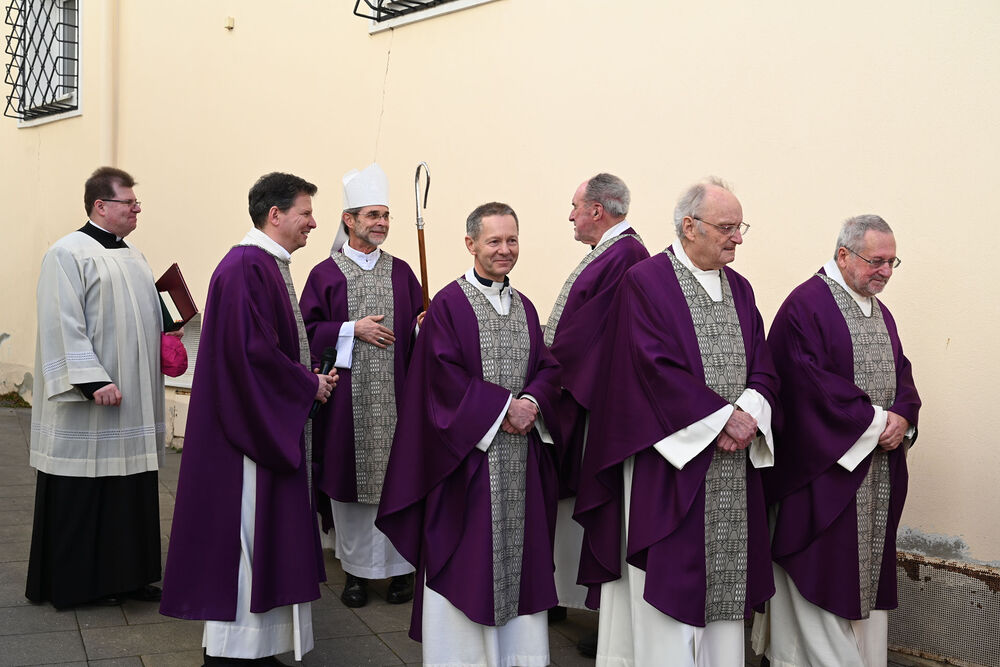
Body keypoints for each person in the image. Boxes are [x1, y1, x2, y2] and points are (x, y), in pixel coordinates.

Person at [575, 178, 779, 666]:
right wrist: (721, 420)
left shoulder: (740, 288)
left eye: (740, 227)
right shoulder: (646, 281)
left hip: (732, 463)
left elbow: (763, 362)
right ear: (690, 226)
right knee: (669, 585)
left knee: (724, 587)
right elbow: (649, 367)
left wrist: (750, 414)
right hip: (667, 462)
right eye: (727, 227)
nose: (738, 237)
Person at [160, 172, 337, 665]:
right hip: (243, 442)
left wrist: (303, 379)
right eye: (305, 213)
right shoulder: (246, 267)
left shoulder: (265, 264)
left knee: (261, 544)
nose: (313, 223)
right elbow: (250, 355)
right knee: (244, 543)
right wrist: (307, 385)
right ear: (275, 215)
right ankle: (233, 653)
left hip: (253, 422)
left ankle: (259, 648)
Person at [376, 202, 562, 666]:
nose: (505, 250)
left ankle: (519, 658)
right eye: (494, 241)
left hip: (520, 466)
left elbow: (547, 366)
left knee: (521, 565)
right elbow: (438, 380)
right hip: (465, 467)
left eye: (512, 240)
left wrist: (532, 402)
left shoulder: (525, 305)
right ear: (471, 244)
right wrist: (503, 408)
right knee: (466, 560)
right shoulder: (449, 305)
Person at [759, 215, 920, 667]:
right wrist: (876, 422)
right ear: (844, 255)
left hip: (874, 474)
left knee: (863, 573)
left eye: (892, 262)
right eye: (876, 261)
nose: (885, 272)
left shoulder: (878, 310)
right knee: (821, 569)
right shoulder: (807, 305)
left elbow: (901, 373)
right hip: (821, 475)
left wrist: (903, 416)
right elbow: (806, 387)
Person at [26, 166, 166, 609]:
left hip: (133, 399)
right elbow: (60, 319)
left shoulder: (134, 255)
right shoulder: (67, 253)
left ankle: (128, 576)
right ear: (100, 206)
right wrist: (91, 379)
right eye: (130, 203)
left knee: (130, 490)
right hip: (94, 400)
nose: (137, 209)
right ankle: (81, 584)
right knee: (85, 489)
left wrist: (167, 327)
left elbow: (136, 313)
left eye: (137, 203)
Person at [299, 163, 423, 608]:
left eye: (386, 215)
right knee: (351, 488)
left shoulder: (402, 272)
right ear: (349, 220)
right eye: (373, 215)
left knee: (398, 481)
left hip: (398, 401)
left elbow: (419, 331)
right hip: (345, 406)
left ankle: (401, 571)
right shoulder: (325, 274)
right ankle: (355, 573)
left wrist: (424, 327)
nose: (382, 223)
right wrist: (352, 329)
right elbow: (305, 332)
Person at [544, 173, 648, 648]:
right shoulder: (609, 252)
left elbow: (587, 337)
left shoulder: (625, 256)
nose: (570, 215)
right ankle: (563, 594)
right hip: (583, 395)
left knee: (597, 503)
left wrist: (544, 367)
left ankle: (603, 619)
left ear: (597, 211)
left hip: (595, 403)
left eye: (575, 206)